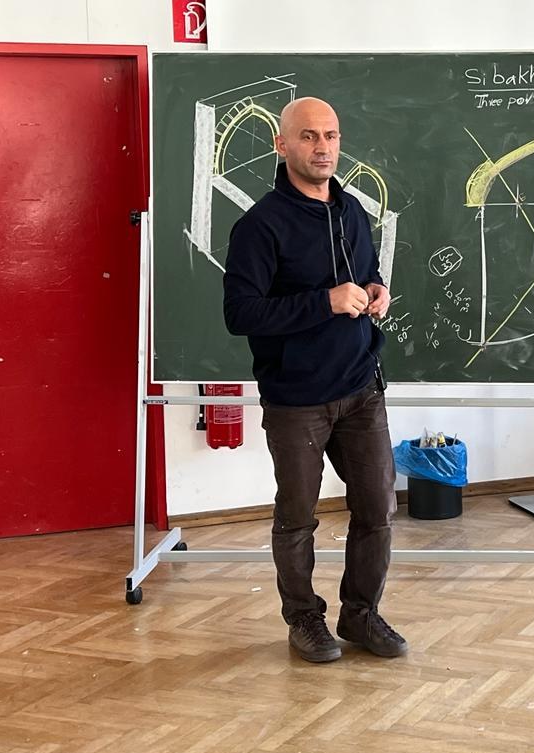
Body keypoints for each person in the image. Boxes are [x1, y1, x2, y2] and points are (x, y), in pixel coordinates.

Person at [223, 97, 407, 663]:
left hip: (360, 389)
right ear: (282, 146)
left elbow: (366, 271)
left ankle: (360, 615)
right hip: (297, 399)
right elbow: (241, 315)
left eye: (330, 135)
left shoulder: (351, 211)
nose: (322, 146)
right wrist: (323, 303)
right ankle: (304, 619)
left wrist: (374, 290)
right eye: (307, 136)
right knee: (298, 516)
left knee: (377, 508)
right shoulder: (258, 227)